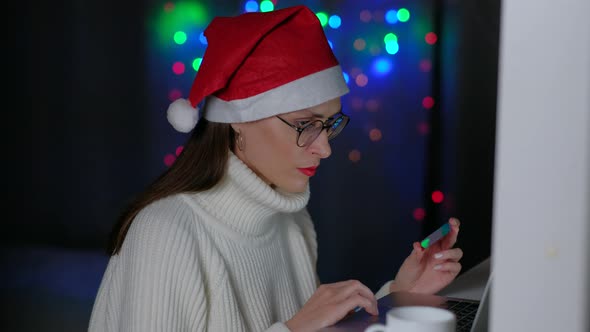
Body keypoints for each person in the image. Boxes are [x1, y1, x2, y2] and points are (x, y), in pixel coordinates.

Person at [88, 5, 463, 332]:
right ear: (238, 120)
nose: (324, 149)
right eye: (306, 124)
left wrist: (399, 295)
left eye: (329, 124)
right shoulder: (165, 232)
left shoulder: (291, 221)